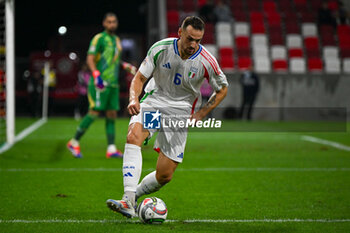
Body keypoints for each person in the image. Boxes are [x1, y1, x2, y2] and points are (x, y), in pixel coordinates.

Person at [106, 16, 228, 218]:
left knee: (165, 174)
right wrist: (133, 99)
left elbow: (222, 89)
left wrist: (201, 113)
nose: (193, 44)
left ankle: (134, 196)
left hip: (179, 113)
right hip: (155, 102)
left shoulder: (207, 61)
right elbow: (140, 78)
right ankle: (127, 200)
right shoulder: (160, 49)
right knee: (134, 137)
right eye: (190, 38)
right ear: (180, 32)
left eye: (198, 40)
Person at [67, 12, 136, 158]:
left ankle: (111, 149)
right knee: (94, 112)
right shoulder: (99, 38)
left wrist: (125, 65)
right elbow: (90, 59)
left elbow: (114, 60)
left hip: (113, 84)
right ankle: (74, 142)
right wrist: (96, 75)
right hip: (100, 83)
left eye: (114, 22)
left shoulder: (116, 40)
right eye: (109, 22)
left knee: (111, 114)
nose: (112, 24)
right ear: (104, 23)